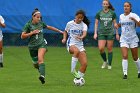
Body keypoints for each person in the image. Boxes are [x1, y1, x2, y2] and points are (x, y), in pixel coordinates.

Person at [21, 8, 63, 84]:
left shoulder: (41, 23)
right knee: (35, 65)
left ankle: (42, 76)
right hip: (32, 47)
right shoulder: (28, 25)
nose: (39, 18)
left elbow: (49, 27)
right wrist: (32, 33)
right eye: (37, 17)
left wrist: (60, 31)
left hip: (41, 44)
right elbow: (22, 36)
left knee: (40, 59)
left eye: (40, 17)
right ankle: (40, 69)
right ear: (33, 17)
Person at [62, 10, 90, 79]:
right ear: (75, 16)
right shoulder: (70, 23)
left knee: (84, 64)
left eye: (81, 18)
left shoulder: (84, 25)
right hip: (71, 44)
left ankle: (78, 79)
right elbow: (65, 31)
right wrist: (64, 38)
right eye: (78, 17)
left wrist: (81, 37)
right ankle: (73, 70)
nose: (80, 19)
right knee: (76, 51)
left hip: (80, 45)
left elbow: (84, 33)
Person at [93, 0, 119, 69]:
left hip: (110, 33)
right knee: (101, 48)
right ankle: (105, 61)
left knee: (109, 48)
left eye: (106, 4)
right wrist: (95, 33)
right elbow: (96, 23)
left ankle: (109, 64)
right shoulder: (99, 13)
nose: (105, 5)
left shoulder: (112, 13)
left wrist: (117, 34)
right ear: (102, 5)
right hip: (101, 33)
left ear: (108, 5)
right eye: (103, 4)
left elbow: (115, 24)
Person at [118, 2, 140, 79]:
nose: (126, 7)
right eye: (124, 6)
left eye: (127, 6)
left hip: (133, 39)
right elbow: (120, 24)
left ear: (130, 8)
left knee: (135, 57)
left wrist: (134, 19)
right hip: (124, 39)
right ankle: (125, 74)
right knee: (124, 55)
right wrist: (117, 26)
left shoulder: (134, 15)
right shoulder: (121, 16)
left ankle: (139, 70)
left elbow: (139, 24)